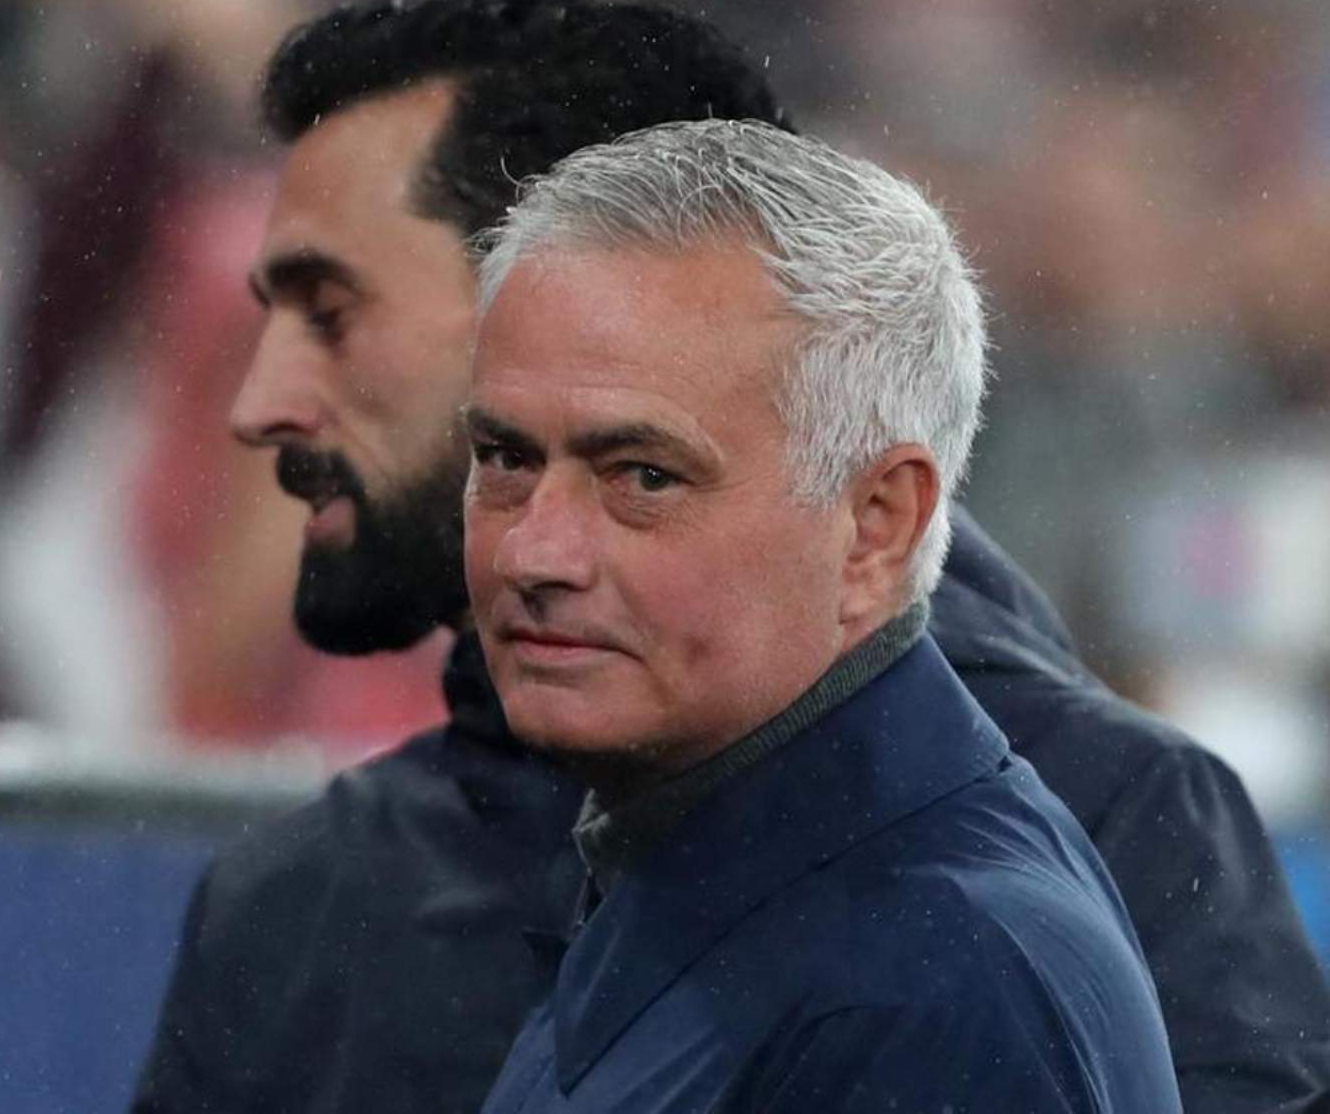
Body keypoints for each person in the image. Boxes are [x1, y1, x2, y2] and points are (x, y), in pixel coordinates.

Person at [132, 0, 1330, 1114]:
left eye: (333, 313)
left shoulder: (1029, 883)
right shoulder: (321, 899)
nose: (264, 403)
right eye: (505, 454)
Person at [466, 117, 1174, 1111]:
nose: (530, 552)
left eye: (641, 476)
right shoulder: (703, 862)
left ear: (874, 526)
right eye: (504, 460)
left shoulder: (935, 984)